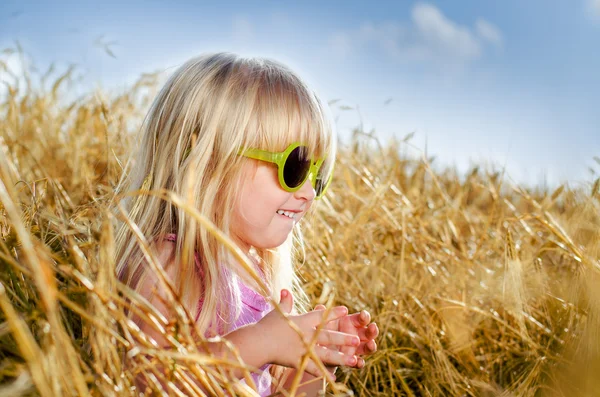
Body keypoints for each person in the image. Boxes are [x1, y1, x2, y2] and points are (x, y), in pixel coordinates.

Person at [113, 52, 379, 396]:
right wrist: (261, 342)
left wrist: (314, 360)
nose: (310, 193)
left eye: (318, 174)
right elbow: (150, 381)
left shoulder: (261, 280)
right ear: (209, 162)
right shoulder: (166, 263)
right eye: (294, 168)